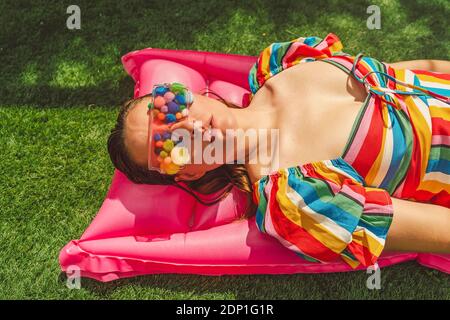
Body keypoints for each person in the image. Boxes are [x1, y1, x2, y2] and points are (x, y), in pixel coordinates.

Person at [108, 33, 450, 268]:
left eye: (168, 107)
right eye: (169, 146)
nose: (188, 127)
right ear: (189, 173)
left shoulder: (282, 63)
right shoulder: (296, 197)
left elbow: (401, 75)